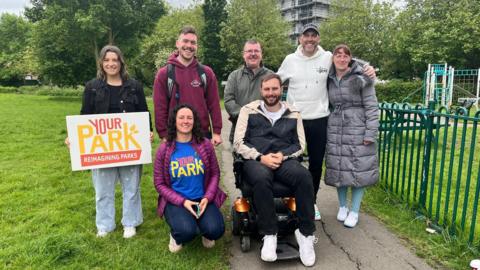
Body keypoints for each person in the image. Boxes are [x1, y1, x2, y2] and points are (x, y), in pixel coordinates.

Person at [277, 23, 376, 220]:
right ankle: (293, 200)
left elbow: (347, 60)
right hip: (295, 120)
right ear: (300, 39)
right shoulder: (290, 60)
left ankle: (311, 202)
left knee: (315, 165)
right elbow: (275, 80)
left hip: (320, 120)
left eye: (314, 35)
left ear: (319, 39)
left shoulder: (327, 57)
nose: (310, 39)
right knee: (292, 162)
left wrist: (368, 68)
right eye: (307, 36)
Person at [66, 45, 152, 238]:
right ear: (101, 63)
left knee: (131, 187)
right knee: (103, 189)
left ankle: (130, 222)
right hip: (102, 150)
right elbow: (84, 116)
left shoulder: (134, 86)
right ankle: (104, 225)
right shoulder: (92, 87)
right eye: (107, 60)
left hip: (129, 146)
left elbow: (144, 113)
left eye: (115, 60)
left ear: (121, 62)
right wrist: (74, 137)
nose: (111, 64)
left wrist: (148, 132)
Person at [233, 73, 316, 266]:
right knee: (261, 178)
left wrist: (282, 156)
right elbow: (238, 142)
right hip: (257, 159)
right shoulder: (248, 110)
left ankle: (305, 235)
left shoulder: (293, 112)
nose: (271, 93)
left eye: (275, 89)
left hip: (283, 159)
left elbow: (299, 144)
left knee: (304, 177)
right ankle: (269, 234)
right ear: (261, 90)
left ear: (281, 90)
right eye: (267, 89)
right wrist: (260, 157)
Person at [153, 104, 227, 253]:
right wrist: (182, 201)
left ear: (194, 121)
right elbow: (159, 183)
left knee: (216, 230)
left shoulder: (205, 145)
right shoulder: (165, 148)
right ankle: (176, 235)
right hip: (177, 201)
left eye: (189, 118)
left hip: (202, 198)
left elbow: (214, 174)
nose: (185, 121)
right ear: (175, 121)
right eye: (181, 117)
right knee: (186, 232)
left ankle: (205, 230)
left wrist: (208, 196)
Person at [325, 44, 379, 228]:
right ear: (333, 58)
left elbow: (372, 106)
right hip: (336, 127)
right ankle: (342, 207)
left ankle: (354, 210)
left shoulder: (361, 77)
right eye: (337, 55)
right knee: (340, 167)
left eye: (345, 55)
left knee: (358, 170)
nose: (341, 58)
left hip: (357, 127)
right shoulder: (329, 78)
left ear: (350, 58)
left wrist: (370, 132)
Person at [153, 26, 223, 146]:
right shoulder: (164, 74)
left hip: (202, 134)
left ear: (196, 47)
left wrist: (216, 131)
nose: (189, 46)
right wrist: (164, 134)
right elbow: (160, 107)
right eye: (185, 41)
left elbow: (214, 104)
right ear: (177, 44)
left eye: (193, 43)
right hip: (174, 136)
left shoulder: (206, 73)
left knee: (204, 165)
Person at [224, 39, 273, 143]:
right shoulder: (234, 76)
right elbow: (229, 100)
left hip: (265, 134)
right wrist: (246, 116)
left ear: (261, 54)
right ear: (243, 54)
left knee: (264, 159)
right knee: (240, 159)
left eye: (256, 51)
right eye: (249, 51)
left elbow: (276, 101)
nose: (253, 54)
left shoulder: (271, 76)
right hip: (240, 133)